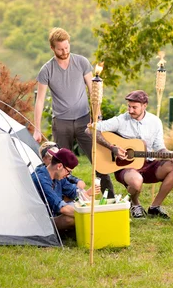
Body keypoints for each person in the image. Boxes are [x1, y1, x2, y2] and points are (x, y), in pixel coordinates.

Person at [33, 27, 114, 197]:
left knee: (99, 161)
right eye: (60, 49)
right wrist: (37, 128)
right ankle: (65, 202)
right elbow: (40, 100)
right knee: (61, 165)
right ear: (52, 48)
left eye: (67, 47)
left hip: (85, 120)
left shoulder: (82, 62)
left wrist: (97, 115)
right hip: (61, 123)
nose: (64, 51)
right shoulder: (46, 70)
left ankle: (110, 198)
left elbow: (94, 90)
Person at [92, 90, 173, 219]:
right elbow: (91, 129)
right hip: (126, 166)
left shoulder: (155, 121)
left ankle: (155, 207)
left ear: (144, 105)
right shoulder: (121, 120)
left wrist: (170, 154)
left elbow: (159, 147)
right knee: (136, 181)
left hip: (149, 164)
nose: (130, 110)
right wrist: (112, 148)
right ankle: (135, 205)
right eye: (129, 106)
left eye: (134, 107)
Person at [31, 148, 99, 236]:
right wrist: (90, 215)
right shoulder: (40, 179)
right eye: (68, 171)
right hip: (39, 221)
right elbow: (62, 208)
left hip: (53, 215)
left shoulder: (58, 177)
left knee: (76, 208)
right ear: (59, 166)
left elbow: (75, 192)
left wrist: (87, 199)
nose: (68, 175)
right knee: (70, 219)